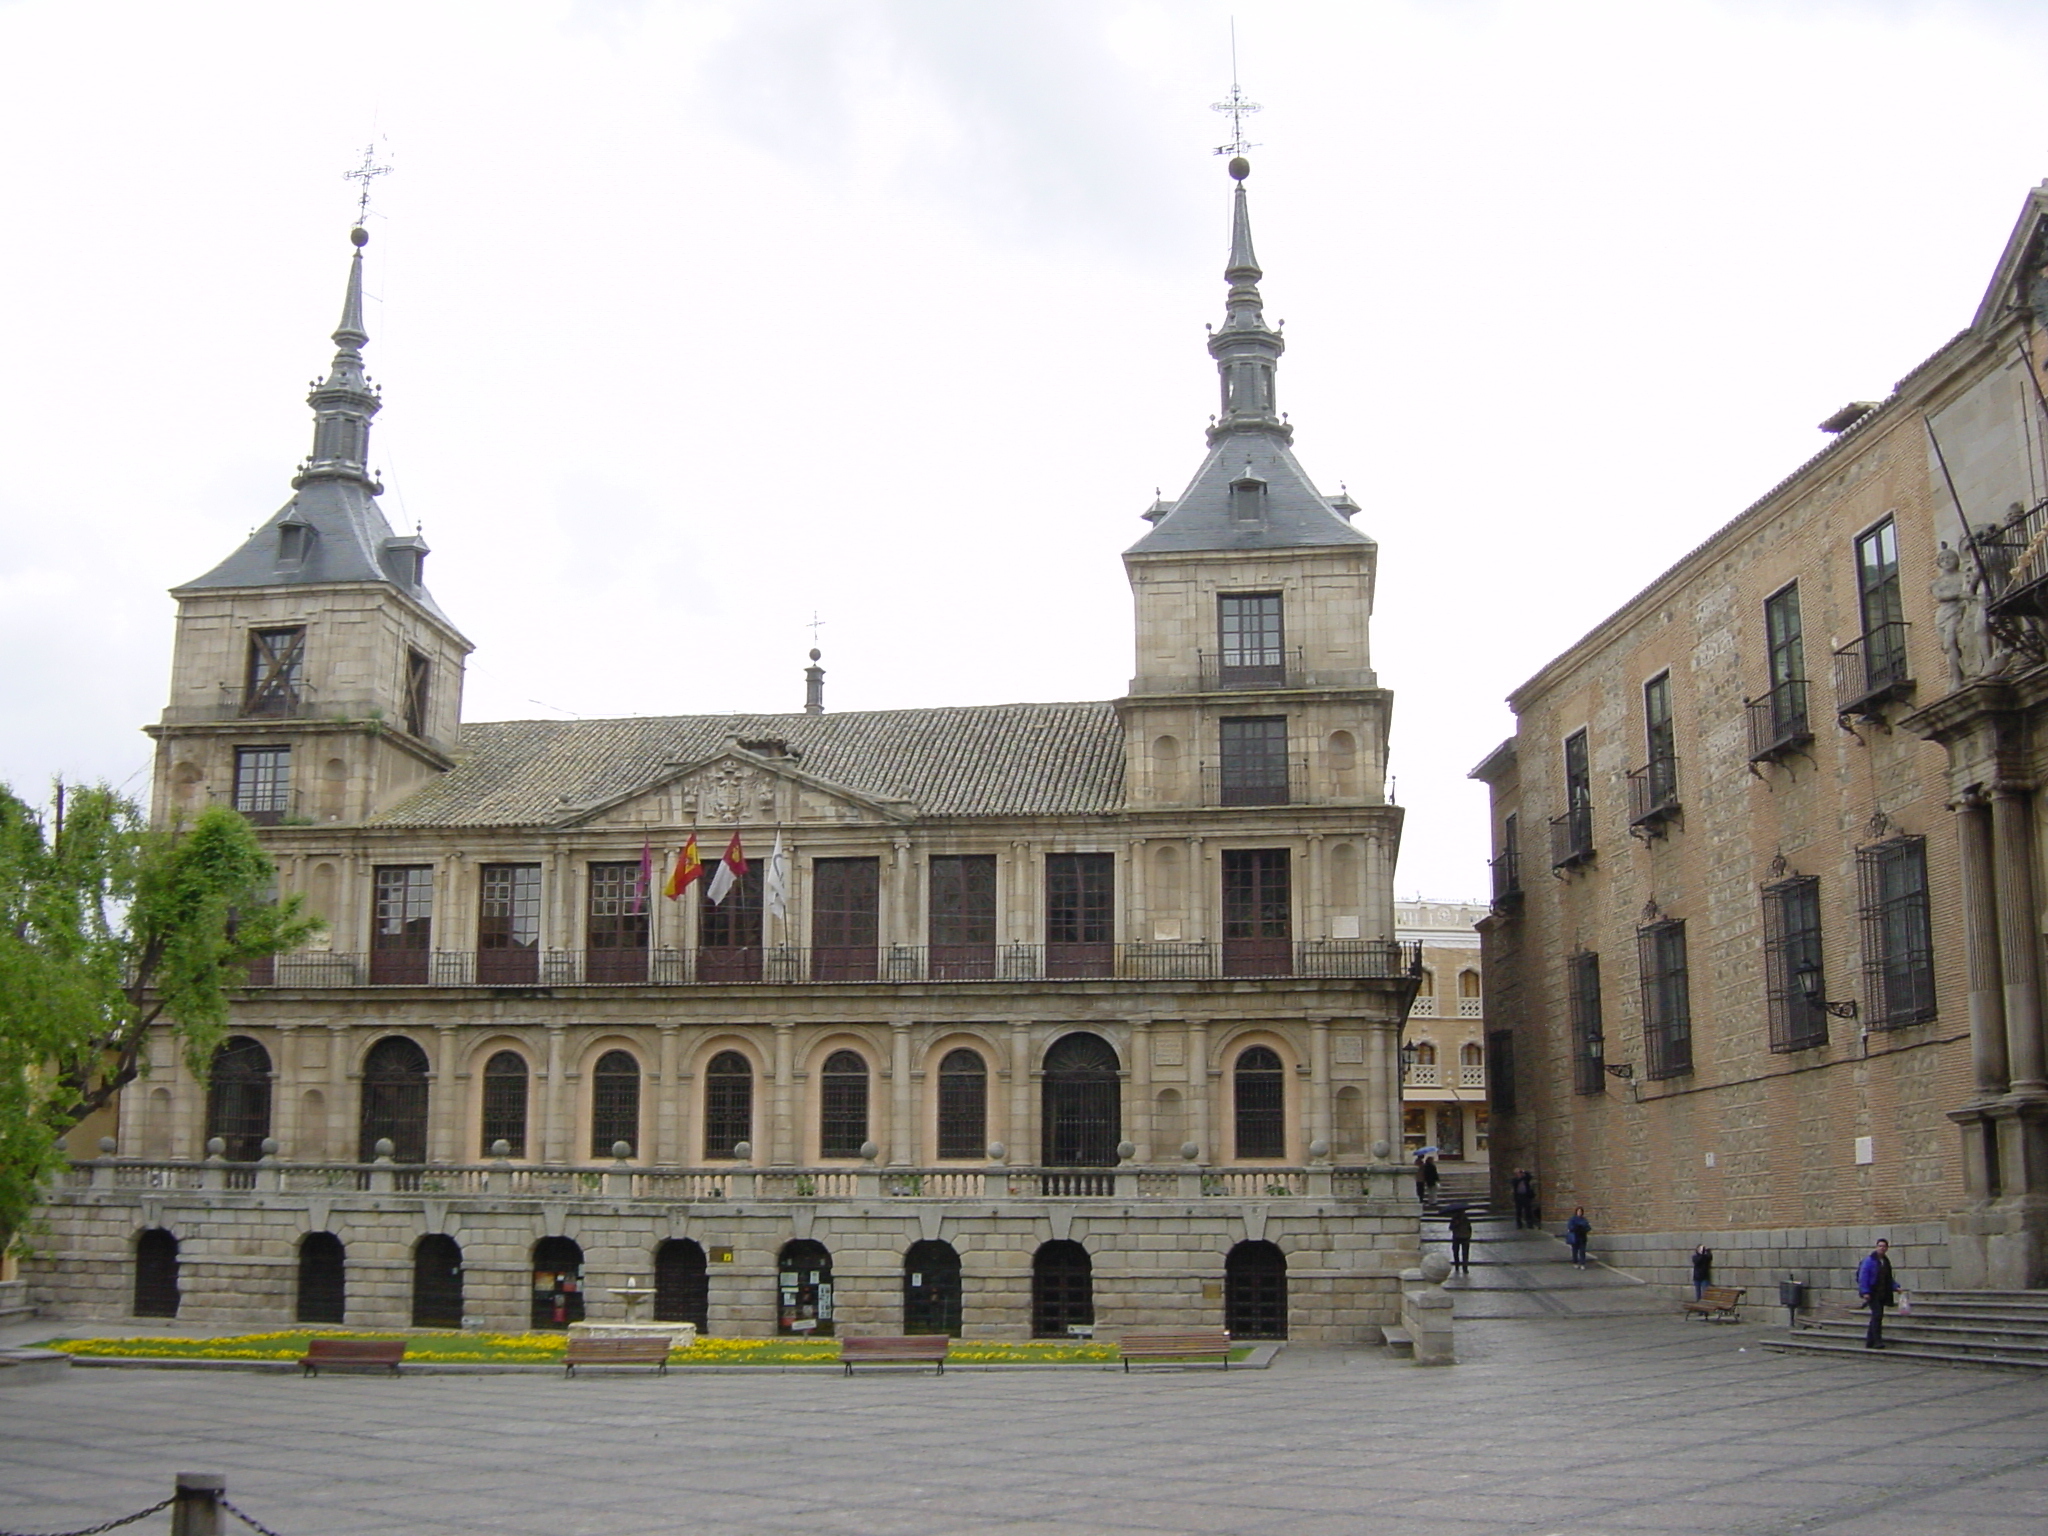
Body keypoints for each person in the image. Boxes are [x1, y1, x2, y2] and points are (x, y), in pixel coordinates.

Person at [1857, 1238, 1898, 1350]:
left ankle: (1870, 1341)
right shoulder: (1869, 1261)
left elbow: (1888, 1278)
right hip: (1872, 1292)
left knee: (1877, 1316)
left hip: (1882, 1293)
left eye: (1884, 1246)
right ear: (1876, 1247)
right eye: (1880, 1246)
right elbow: (1863, 1277)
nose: (1882, 1248)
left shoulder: (1885, 1261)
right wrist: (1865, 1291)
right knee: (1877, 1315)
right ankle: (1877, 1341)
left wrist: (1895, 1287)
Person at [1447, 1206, 1473, 1275]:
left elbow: (1469, 1228)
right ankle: (1457, 1266)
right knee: (1457, 1252)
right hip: (1458, 1237)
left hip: (1463, 1237)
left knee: (1464, 1253)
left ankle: (1464, 1267)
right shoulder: (1455, 1219)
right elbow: (1451, 1227)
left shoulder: (1465, 1219)